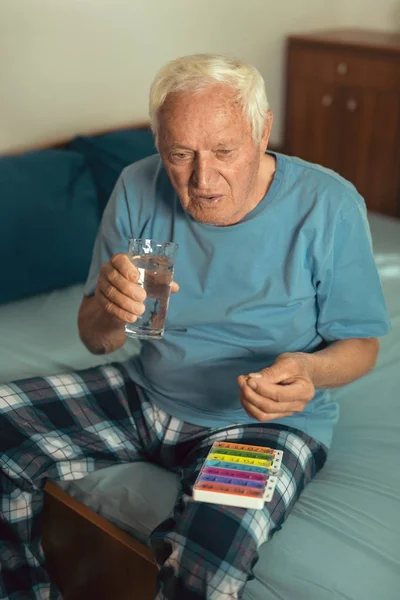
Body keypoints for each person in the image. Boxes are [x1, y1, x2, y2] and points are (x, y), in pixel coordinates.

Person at [0, 53, 391, 600]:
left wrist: (310, 369)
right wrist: (110, 311)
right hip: (147, 392)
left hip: (256, 422)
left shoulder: (328, 205)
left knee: (205, 566)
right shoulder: (137, 186)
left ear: (263, 130)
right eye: (180, 154)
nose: (202, 179)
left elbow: (362, 345)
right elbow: (98, 338)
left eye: (225, 151)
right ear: (159, 142)